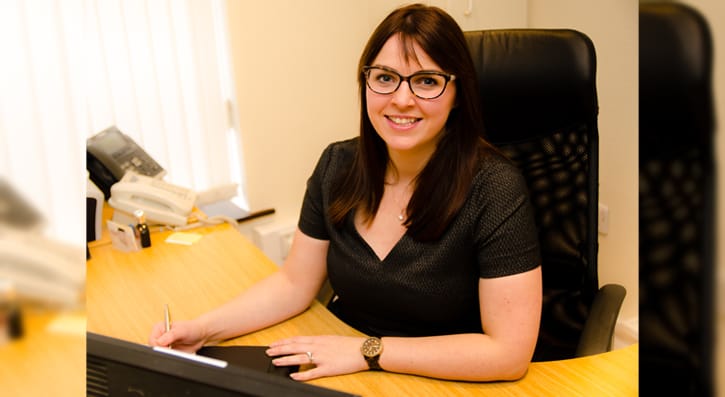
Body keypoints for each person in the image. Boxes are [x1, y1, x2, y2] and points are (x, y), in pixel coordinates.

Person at [149, 3, 542, 382]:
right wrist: (203, 330)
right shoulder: (338, 166)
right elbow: (294, 284)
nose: (401, 99)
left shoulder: (494, 188)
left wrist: (367, 352)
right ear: (366, 82)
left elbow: (507, 353)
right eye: (385, 77)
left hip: (442, 380)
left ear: (458, 93)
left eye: (427, 81)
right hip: (344, 369)